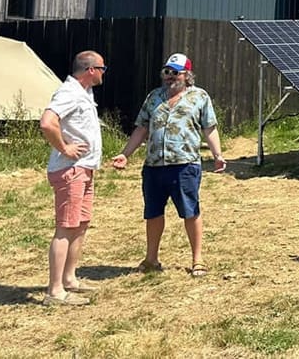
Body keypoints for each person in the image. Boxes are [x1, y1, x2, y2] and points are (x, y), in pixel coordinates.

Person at [112, 53, 226, 277]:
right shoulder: (154, 97)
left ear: (187, 75)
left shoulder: (199, 97)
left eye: (175, 72)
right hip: (154, 166)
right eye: (166, 72)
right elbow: (142, 128)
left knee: (190, 212)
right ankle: (151, 258)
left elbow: (209, 128)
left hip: (185, 165)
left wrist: (217, 155)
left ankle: (198, 260)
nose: (169, 77)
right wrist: (126, 154)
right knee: (153, 213)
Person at [39, 50, 107, 306]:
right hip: (71, 170)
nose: (103, 73)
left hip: (85, 168)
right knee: (66, 227)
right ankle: (55, 291)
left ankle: (69, 278)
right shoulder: (68, 92)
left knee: (80, 224)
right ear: (91, 70)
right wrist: (64, 148)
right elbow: (47, 123)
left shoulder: (84, 92)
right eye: (102, 68)